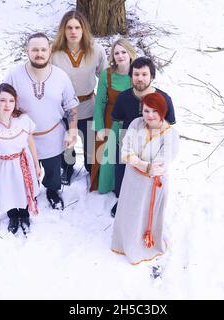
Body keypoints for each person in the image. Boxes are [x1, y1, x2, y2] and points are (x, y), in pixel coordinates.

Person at [4, 32, 79, 210]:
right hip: (23, 137)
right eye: (35, 49)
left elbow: (71, 106)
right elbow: (4, 102)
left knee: (53, 171)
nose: (39, 53)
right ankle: (30, 192)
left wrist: (73, 130)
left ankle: (52, 191)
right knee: (27, 169)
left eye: (43, 49)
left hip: (53, 134)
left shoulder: (60, 76)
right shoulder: (14, 75)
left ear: (50, 50)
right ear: (27, 51)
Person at [111, 92, 179, 265]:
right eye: (146, 110)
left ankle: (143, 245)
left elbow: (160, 166)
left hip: (152, 185)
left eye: (154, 111)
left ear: (163, 112)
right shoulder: (136, 123)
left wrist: (139, 163)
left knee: (144, 214)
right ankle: (124, 242)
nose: (149, 115)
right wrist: (145, 166)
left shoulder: (170, 135)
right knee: (130, 212)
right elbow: (125, 152)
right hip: (131, 180)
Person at [111, 57, 176, 217]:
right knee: (122, 176)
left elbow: (169, 125)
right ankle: (123, 201)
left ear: (152, 77)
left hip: (152, 146)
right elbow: (118, 120)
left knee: (149, 178)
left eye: (144, 74)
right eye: (136, 74)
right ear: (131, 76)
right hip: (128, 146)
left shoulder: (164, 99)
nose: (140, 78)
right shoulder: (123, 97)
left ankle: (148, 204)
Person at [0, 83, 41, 235]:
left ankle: (24, 214)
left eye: (11, 100)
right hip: (2, 166)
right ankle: (13, 216)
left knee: (23, 189)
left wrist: (36, 165)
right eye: (3, 100)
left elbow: (30, 141)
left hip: (23, 162)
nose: (7, 105)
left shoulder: (22, 119)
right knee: (8, 191)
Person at [51, 10, 107, 185]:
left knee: (91, 146)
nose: (73, 31)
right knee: (66, 143)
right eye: (69, 27)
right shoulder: (54, 53)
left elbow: (105, 78)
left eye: (77, 27)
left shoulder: (96, 50)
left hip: (89, 104)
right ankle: (68, 169)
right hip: (64, 108)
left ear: (83, 29)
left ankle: (91, 169)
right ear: (63, 30)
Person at [90, 38, 137, 194]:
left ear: (130, 53)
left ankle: (126, 186)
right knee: (109, 155)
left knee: (127, 156)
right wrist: (100, 127)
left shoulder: (136, 73)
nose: (120, 55)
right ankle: (108, 185)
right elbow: (100, 103)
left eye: (123, 52)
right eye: (116, 53)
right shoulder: (107, 75)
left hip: (131, 121)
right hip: (111, 120)